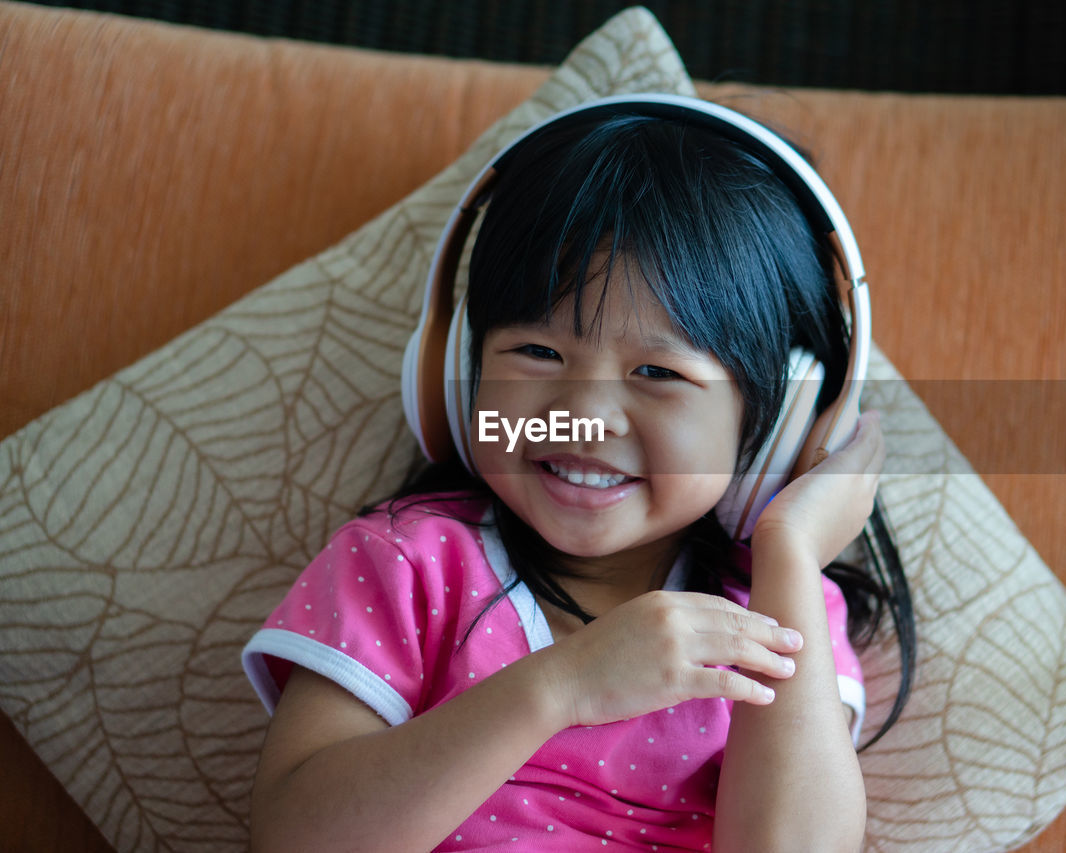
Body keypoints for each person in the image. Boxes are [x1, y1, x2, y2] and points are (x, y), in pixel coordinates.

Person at [242, 99, 909, 852]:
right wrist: (562, 687)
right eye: (538, 353)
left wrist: (788, 545)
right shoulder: (405, 565)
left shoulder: (778, 614)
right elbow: (293, 838)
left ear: (777, 424)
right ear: (459, 363)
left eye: (657, 371)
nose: (585, 415)